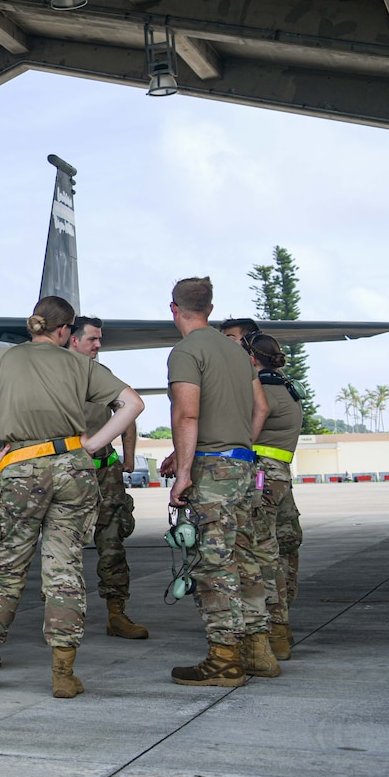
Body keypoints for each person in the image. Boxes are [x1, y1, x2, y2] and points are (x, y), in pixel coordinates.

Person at [0, 296, 144, 697]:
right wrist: (92, 445)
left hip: (22, 469)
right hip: (73, 468)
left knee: (5, 567)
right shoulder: (81, 364)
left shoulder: (2, 361)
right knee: (65, 568)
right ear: (65, 330)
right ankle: (63, 673)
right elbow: (132, 404)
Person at [161, 277, 274, 686]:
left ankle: (225, 658)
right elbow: (260, 408)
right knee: (245, 558)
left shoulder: (186, 351)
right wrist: (238, 444)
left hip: (212, 470)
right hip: (244, 466)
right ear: (209, 308)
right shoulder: (236, 350)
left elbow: (186, 414)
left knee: (213, 563)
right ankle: (260, 650)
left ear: (174, 309)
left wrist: (186, 470)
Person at [67, 316, 148, 640]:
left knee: (112, 543)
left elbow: (127, 413)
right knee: (63, 547)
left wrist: (128, 459)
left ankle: (117, 613)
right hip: (68, 471)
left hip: (104, 470)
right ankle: (64, 617)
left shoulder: (102, 375)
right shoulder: (55, 374)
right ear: (72, 339)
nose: (98, 346)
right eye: (92, 340)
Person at [239, 331, 304, 662]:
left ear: (252, 358)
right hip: (279, 476)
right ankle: (282, 630)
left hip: (261, 477)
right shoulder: (287, 387)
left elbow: (240, 429)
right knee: (278, 550)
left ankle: (274, 631)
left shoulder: (261, 393)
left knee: (262, 553)